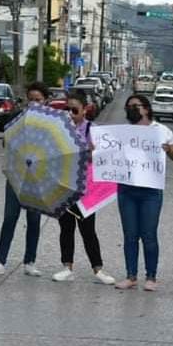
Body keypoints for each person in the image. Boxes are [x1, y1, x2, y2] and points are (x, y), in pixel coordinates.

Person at [115, 94, 173, 291]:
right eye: (128, 107)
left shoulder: (161, 130)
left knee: (149, 234)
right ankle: (131, 275)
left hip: (151, 190)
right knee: (130, 235)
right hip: (127, 188)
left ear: (146, 108)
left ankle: (151, 276)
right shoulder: (122, 132)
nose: (131, 110)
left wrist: (168, 149)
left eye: (134, 106)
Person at [0, 82, 49, 277]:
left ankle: (30, 261)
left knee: (34, 220)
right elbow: (6, 142)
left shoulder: (51, 123)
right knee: (10, 217)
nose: (34, 104)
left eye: (38, 100)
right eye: (31, 100)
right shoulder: (16, 118)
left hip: (37, 178)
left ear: (46, 101)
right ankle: (0, 260)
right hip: (16, 176)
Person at [51, 92, 116, 285]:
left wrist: (92, 151)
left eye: (74, 110)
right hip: (64, 186)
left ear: (84, 109)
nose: (70, 114)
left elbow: (104, 157)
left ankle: (98, 268)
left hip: (86, 189)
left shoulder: (93, 130)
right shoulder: (60, 129)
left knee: (88, 230)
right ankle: (67, 266)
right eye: (67, 109)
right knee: (66, 227)